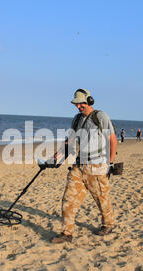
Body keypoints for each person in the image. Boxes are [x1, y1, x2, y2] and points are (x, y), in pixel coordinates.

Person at [51, 89, 117, 243]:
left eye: (81, 103)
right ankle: (67, 233)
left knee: (102, 198)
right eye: (76, 103)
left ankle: (108, 224)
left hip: (97, 166)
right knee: (69, 199)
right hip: (79, 166)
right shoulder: (76, 119)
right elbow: (71, 140)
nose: (79, 106)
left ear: (90, 101)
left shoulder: (101, 117)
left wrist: (110, 163)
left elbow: (112, 140)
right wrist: (59, 154)